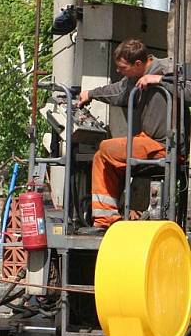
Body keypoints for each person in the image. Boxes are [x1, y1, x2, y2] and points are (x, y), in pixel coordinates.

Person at [76, 38, 191, 233]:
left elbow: (188, 90)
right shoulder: (133, 79)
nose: (119, 71)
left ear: (138, 64)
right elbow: (118, 91)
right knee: (101, 158)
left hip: (166, 145)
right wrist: (91, 93)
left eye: (123, 67)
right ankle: (106, 218)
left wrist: (159, 80)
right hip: (147, 140)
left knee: (106, 147)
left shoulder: (168, 68)